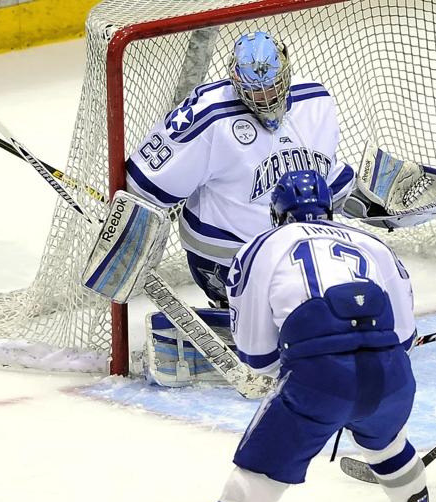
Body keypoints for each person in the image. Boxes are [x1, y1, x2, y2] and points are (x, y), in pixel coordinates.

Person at [145, 170, 436, 502]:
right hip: (392, 375)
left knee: (258, 475)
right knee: (387, 440)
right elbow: (404, 336)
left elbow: (256, 353)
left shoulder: (260, 246)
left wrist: (306, 371)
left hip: (318, 380)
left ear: (276, 213)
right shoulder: (373, 244)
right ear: (329, 209)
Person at [126, 31, 355, 307]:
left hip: (303, 250)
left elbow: (325, 173)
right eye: (255, 91)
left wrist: (368, 199)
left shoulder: (315, 100)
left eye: (272, 87)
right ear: (235, 82)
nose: (266, 99)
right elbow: (142, 185)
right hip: (226, 258)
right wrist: (129, 230)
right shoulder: (208, 116)